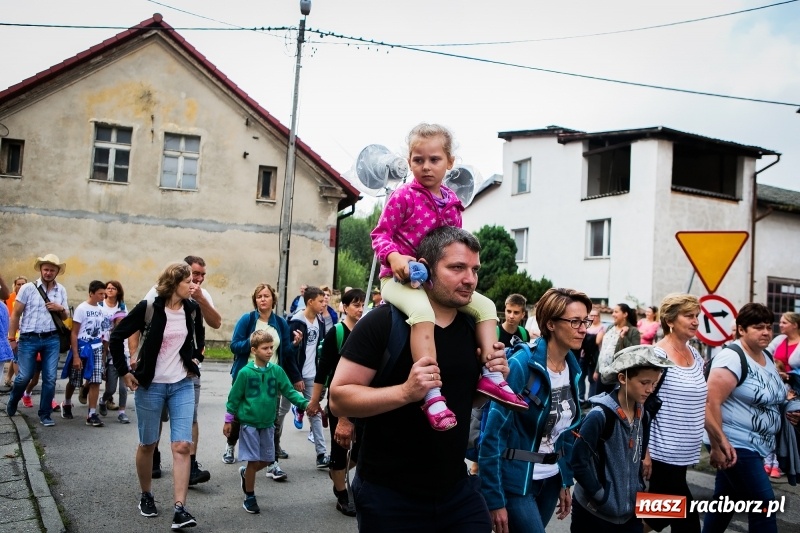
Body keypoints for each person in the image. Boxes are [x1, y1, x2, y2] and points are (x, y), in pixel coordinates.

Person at [330, 226, 510, 532]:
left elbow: (465, 399)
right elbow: (338, 399)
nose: (470, 278)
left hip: (457, 491)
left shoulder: (473, 327)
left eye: (474, 269)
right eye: (457, 267)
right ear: (425, 269)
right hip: (389, 495)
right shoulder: (383, 323)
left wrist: (490, 381)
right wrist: (406, 392)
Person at [370, 122, 526, 432]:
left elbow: (454, 248)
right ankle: (431, 393)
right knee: (421, 311)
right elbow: (380, 235)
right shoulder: (402, 197)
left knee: (485, 307)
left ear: (449, 163)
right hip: (397, 282)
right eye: (418, 160)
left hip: (433, 283)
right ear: (409, 161)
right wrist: (395, 257)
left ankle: (492, 375)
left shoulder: (453, 205)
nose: (425, 166)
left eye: (434, 159)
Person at [479, 287, 591, 533]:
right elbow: (492, 435)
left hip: (550, 480)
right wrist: (494, 498)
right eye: (575, 321)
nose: (583, 328)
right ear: (550, 324)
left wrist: (565, 479)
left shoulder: (573, 369)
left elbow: (566, 434)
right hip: (516, 482)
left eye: (585, 321)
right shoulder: (522, 365)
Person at [110, 261, 205, 529]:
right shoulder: (150, 307)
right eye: (189, 282)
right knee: (148, 444)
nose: (194, 286)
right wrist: (124, 372)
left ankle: (180, 508)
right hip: (150, 385)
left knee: (182, 445)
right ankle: (146, 494)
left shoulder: (192, 309)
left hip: (182, 384)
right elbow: (117, 337)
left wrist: (195, 361)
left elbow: (200, 339)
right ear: (175, 283)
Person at [571, 345, 673, 532]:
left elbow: (638, 459)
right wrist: (600, 495)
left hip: (629, 516)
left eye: (654, 383)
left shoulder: (644, 416)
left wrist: (638, 490)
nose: (650, 389)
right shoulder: (599, 415)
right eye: (644, 383)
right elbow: (578, 461)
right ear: (622, 378)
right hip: (593, 514)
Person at [703, 303, 786, 533]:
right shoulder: (732, 358)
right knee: (764, 507)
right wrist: (718, 446)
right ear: (741, 329)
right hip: (735, 444)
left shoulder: (766, 356)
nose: (766, 332)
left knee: (723, 504)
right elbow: (710, 403)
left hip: (758, 445)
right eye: (758, 327)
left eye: (769, 327)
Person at [146, 255, 220, 486]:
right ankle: (154, 458)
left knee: (191, 417)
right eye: (195, 274)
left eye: (202, 275)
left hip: (189, 368)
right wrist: (136, 357)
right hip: (160, 369)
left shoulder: (201, 295)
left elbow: (216, 323)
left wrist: (201, 300)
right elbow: (139, 322)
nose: (199, 279)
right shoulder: (156, 292)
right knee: (158, 416)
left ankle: (191, 464)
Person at [223, 329, 309, 514]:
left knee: (268, 458)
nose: (270, 351)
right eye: (265, 348)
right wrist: (229, 420)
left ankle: (247, 474)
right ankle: (250, 497)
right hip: (249, 424)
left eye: (271, 347)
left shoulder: (276, 371)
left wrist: (305, 404)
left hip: (268, 423)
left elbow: (289, 391)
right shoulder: (245, 373)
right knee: (253, 461)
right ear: (254, 350)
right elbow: (234, 398)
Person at [642, 294, 706, 533]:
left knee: (656, 515)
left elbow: (703, 402)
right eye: (689, 316)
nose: (695, 321)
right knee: (687, 522)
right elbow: (639, 405)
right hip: (661, 453)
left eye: (697, 316)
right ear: (670, 320)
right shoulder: (657, 356)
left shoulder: (696, 356)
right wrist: (644, 452)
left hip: (684, 454)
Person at [306, 288, 366, 517]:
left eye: (362, 305)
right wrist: (314, 402)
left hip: (362, 398)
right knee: (340, 448)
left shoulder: (366, 331)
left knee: (360, 450)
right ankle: (341, 493)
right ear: (345, 307)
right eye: (355, 304)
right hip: (339, 398)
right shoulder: (337, 333)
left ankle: (336, 472)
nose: (360, 309)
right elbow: (323, 371)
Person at [225, 283, 292, 482]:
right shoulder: (247, 320)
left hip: (271, 377)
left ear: (273, 299)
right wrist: (252, 343)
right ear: (255, 300)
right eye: (259, 296)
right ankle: (230, 446)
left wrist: (295, 348)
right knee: (240, 416)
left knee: (272, 419)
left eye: (266, 296)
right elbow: (234, 346)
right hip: (248, 376)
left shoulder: (280, 323)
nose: (262, 299)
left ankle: (272, 461)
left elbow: (286, 351)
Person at [6, 254, 69, 427]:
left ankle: (45, 414)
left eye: (52, 270)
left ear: (57, 272)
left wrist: (60, 308)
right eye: (46, 269)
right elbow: (15, 314)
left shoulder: (61, 290)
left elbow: (65, 317)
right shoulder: (28, 288)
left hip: (52, 339)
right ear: (41, 269)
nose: (48, 273)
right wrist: (11, 338)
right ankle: (13, 400)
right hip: (28, 338)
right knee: (24, 376)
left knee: (50, 378)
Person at [284, 286, 329, 468]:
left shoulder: (320, 320)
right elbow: (288, 354)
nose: (323, 303)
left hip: (312, 375)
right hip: (293, 375)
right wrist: (295, 377)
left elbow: (319, 348)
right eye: (320, 301)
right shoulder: (295, 322)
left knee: (314, 411)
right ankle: (275, 447)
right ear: (310, 302)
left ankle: (321, 454)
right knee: (281, 411)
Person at [60, 280, 109, 426]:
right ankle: (67, 403)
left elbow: (104, 333)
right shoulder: (82, 308)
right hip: (82, 348)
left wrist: (103, 352)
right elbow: (74, 334)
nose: (103, 296)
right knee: (75, 380)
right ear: (91, 293)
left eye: (104, 294)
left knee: (95, 381)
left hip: (96, 348)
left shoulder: (102, 310)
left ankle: (92, 414)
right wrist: (75, 355)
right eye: (100, 294)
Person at [594, 303, 641, 395]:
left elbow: (634, 352)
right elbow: (603, 350)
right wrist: (596, 370)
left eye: (616, 312)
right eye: (612, 312)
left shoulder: (633, 331)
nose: (613, 314)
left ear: (625, 314)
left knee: (613, 402)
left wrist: (623, 337)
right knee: (599, 400)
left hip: (617, 374)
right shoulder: (610, 327)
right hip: (603, 371)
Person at [98, 280, 128, 419]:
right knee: (111, 388)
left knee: (123, 388)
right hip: (108, 352)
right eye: (108, 288)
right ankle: (103, 400)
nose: (110, 290)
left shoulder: (122, 307)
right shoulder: (99, 305)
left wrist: (131, 356)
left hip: (124, 356)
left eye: (113, 288)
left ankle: (122, 412)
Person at [2, 275, 26, 392]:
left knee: (14, 356)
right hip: (12, 331)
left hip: (23, 330)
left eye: (23, 284)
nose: (21, 286)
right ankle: (19, 381)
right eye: (18, 284)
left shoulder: (29, 296)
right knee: (16, 356)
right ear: (14, 285)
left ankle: (8, 378)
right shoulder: (9, 298)